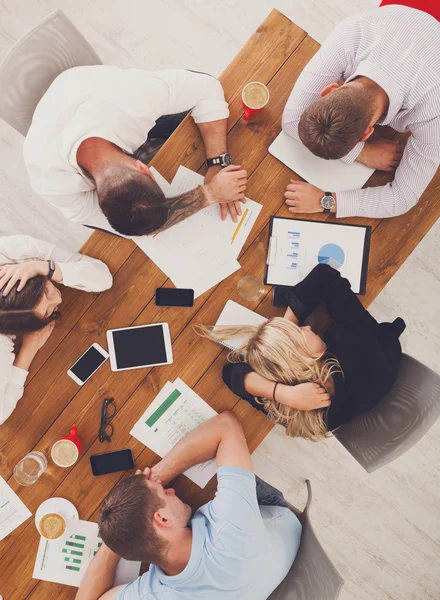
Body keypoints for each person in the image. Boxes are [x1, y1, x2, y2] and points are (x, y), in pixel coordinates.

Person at [75, 412, 302, 600]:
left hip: (271, 581)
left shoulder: (154, 595)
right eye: (164, 491)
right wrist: (159, 474)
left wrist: (118, 537)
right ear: (162, 520)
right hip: (281, 529)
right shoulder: (230, 525)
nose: (170, 490)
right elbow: (226, 426)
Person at [23, 67, 248, 236]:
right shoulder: (50, 183)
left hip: (90, 88)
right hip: (59, 111)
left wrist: (216, 162)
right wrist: (206, 195)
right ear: (143, 167)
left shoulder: (133, 101)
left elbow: (207, 88)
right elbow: (133, 226)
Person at [201, 264, 405, 441]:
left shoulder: (302, 413)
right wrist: (288, 326)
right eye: (299, 331)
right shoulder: (356, 342)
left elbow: (231, 373)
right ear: (294, 355)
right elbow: (325, 276)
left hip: (372, 386)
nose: (306, 328)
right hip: (381, 358)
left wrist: (283, 393)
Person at [281, 2, 440, 219]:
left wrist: (327, 201)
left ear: (367, 133)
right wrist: (363, 153)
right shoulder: (351, 33)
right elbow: (292, 121)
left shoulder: (435, 111)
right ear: (329, 90)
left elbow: (403, 198)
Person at [0, 235, 112, 425]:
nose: (58, 299)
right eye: (48, 311)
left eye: (45, 291)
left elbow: (103, 278)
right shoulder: (2, 347)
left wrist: (45, 267)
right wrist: (29, 349)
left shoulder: (15, 251)